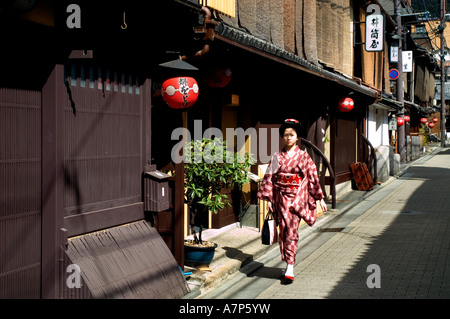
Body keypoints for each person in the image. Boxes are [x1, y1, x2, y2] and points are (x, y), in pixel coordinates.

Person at [257, 119, 327, 283]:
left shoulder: (303, 156)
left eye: (292, 135)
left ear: (297, 137)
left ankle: (290, 267)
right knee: (283, 231)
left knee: (290, 231)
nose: (288, 138)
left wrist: (320, 198)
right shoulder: (277, 156)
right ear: (283, 136)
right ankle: (288, 262)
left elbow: (313, 177)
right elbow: (269, 177)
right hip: (280, 198)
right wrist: (268, 198)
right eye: (286, 135)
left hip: (296, 198)